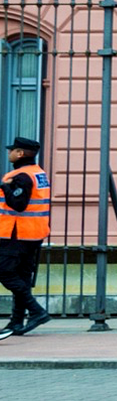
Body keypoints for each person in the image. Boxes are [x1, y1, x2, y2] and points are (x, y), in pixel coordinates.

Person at [0, 135, 52, 339]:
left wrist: (4, 187)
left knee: (4, 272)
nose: (9, 152)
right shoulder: (39, 173)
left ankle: (37, 311)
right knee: (22, 276)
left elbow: (18, 204)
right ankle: (16, 322)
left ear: (20, 153)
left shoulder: (21, 177)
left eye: (12, 150)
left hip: (16, 234)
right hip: (33, 233)